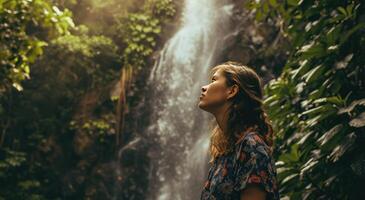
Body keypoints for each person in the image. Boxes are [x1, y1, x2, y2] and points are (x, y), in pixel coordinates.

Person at [198, 61, 280, 200]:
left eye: (214, 80)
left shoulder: (251, 147)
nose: (204, 87)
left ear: (232, 91)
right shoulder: (227, 150)